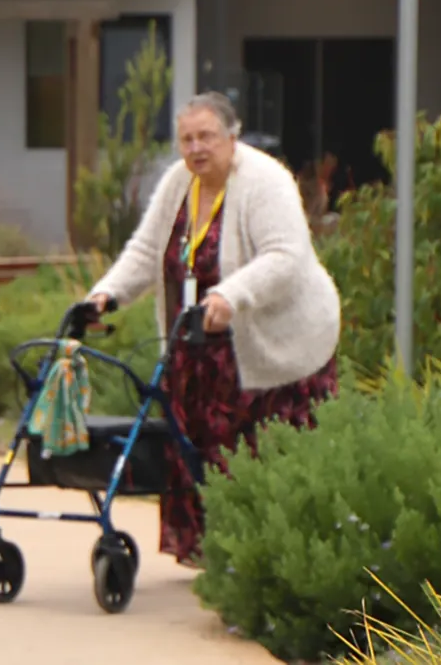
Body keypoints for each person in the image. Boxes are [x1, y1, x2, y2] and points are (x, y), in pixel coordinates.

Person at [86, 91, 339, 566]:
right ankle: (214, 558)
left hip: (275, 345)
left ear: (231, 136)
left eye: (206, 136)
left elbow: (286, 257)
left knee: (261, 458)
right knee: (198, 449)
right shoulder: (180, 182)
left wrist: (230, 294)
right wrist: (106, 295)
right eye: (186, 138)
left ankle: (260, 559)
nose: (196, 148)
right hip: (200, 345)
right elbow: (146, 251)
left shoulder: (266, 181)